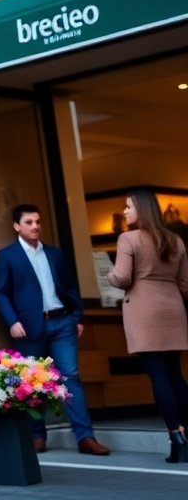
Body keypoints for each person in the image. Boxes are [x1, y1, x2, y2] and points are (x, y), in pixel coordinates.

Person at [0, 204, 110, 456]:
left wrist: (77, 317)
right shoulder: (7, 256)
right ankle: (37, 437)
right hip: (29, 328)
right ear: (17, 226)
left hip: (62, 323)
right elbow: (1, 293)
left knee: (71, 378)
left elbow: (70, 287)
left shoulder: (55, 254)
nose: (35, 226)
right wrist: (12, 321)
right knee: (33, 381)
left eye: (38, 221)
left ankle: (85, 437)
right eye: (29, 222)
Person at [106, 189, 188, 463]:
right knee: (175, 375)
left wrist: (109, 275)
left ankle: (176, 437)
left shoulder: (128, 238)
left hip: (144, 311)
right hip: (173, 309)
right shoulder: (175, 239)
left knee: (159, 377)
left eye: (128, 207)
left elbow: (122, 277)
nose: (125, 212)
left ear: (142, 209)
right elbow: (185, 284)